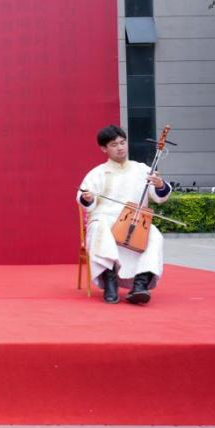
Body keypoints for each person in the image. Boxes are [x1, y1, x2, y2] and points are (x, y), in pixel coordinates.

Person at [77, 125, 170, 305]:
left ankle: (140, 284)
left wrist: (159, 185)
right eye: (114, 144)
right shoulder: (97, 173)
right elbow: (84, 199)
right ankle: (109, 280)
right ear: (104, 148)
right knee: (100, 227)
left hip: (135, 220)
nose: (120, 147)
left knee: (155, 234)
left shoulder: (142, 169)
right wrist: (88, 197)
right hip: (105, 218)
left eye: (122, 142)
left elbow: (160, 196)